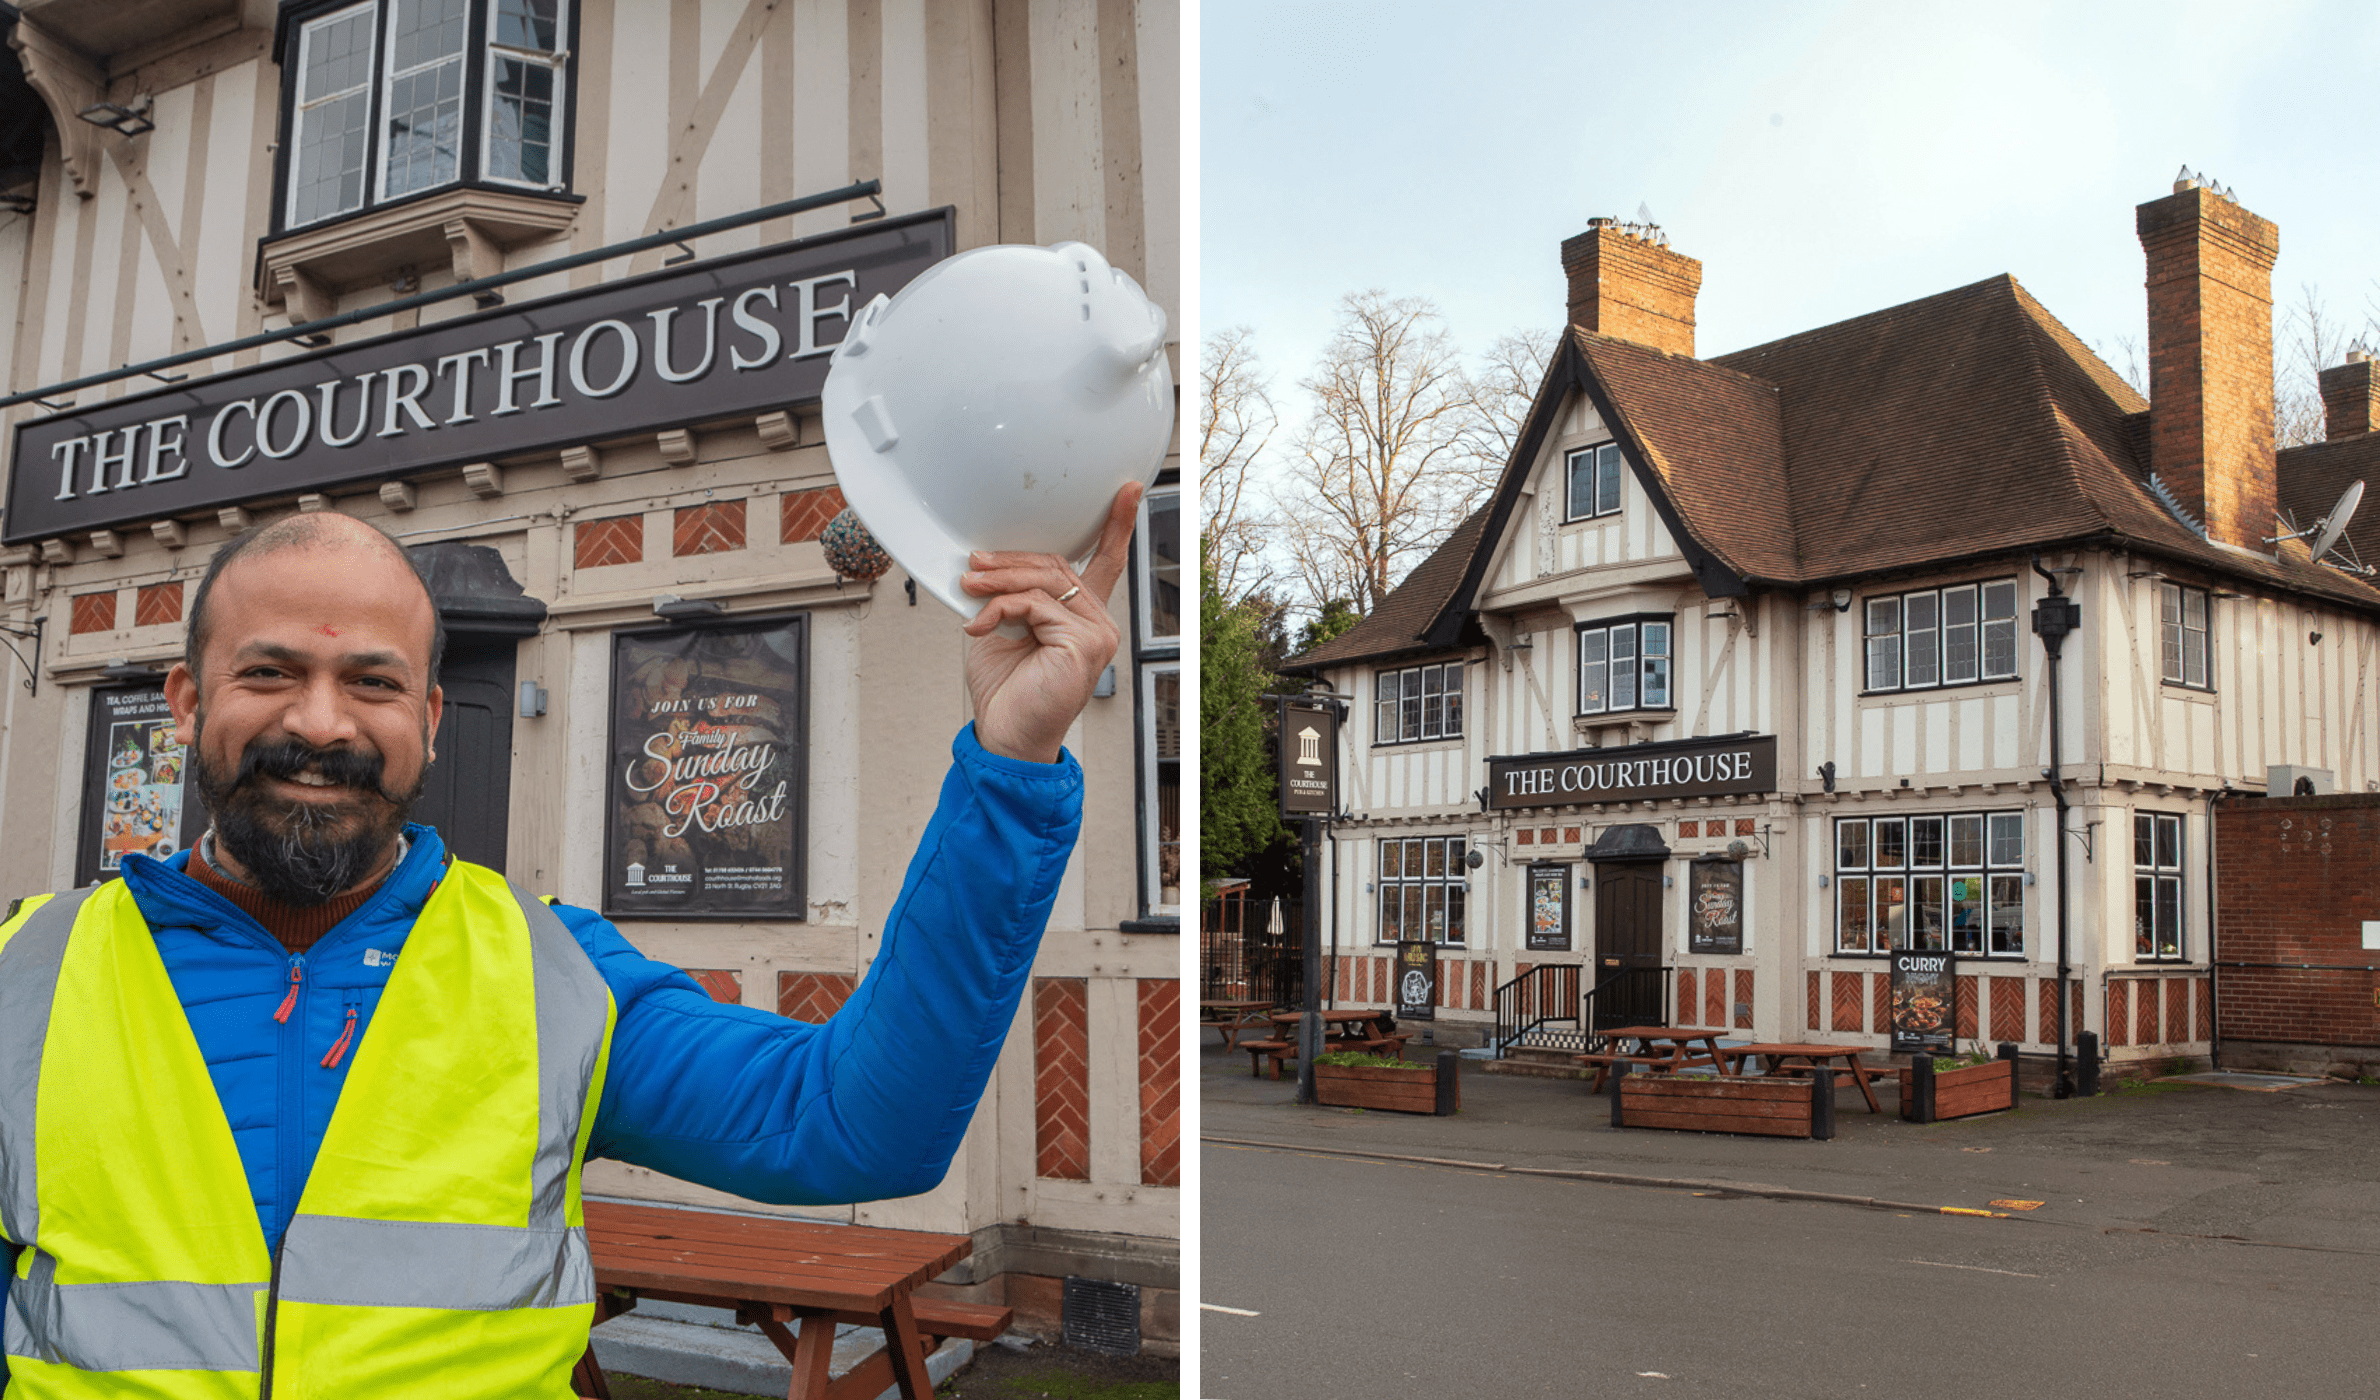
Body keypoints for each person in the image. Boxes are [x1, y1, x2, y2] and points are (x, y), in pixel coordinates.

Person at [0, 485, 1141, 1393]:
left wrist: (1013, 762)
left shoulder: (554, 974)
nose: (320, 720)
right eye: (269, 671)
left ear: (430, 722)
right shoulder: (26, 972)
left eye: (372, 681)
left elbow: (851, 1127)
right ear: (187, 703)